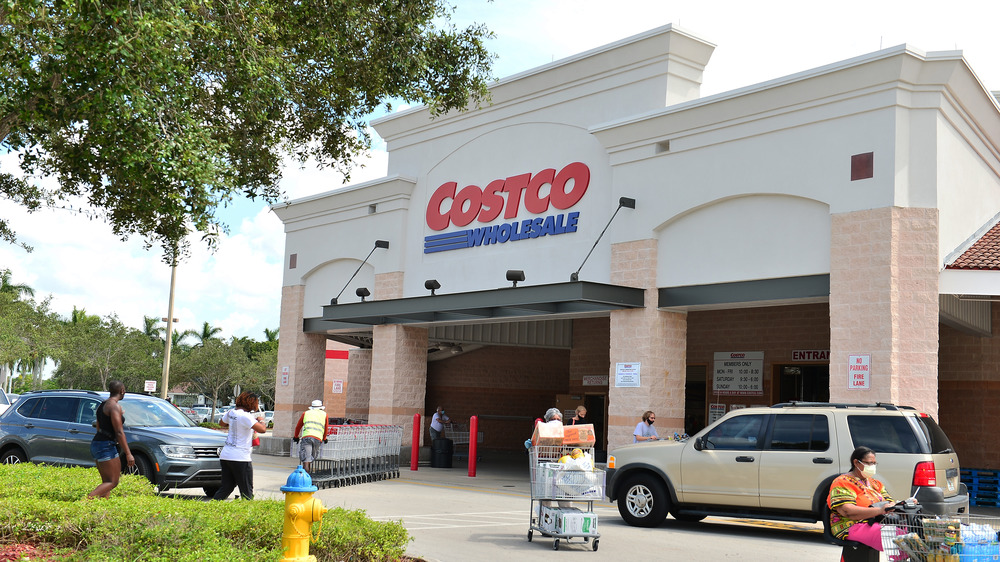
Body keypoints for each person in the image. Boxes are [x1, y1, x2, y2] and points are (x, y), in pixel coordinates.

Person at [828, 446, 905, 551]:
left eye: (874, 463)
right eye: (869, 463)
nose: (872, 466)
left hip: (877, 522)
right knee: (897, 538)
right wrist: (879, 510)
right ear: (856, 462)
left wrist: (904, 504)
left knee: (911, 532)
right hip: (852, 525)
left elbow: (889, 502)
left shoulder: (875, 483)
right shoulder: (842, 482)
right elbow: (847, 511)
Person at [213, 392, 267, 500]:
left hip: (226, 455)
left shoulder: (231, 413)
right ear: (252, 404)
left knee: (226, 487)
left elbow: (221, 423)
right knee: (247, 491)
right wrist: (261, 420)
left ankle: (210, 509)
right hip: (240, 457)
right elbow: (262, 429)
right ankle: (248, 513)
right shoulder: (246, 417)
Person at [88, 380, 134, 498]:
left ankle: (103, 507)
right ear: (122, 391)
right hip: (106, 445)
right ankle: (87, 500)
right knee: (113, 482)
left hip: (97, 443)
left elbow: (98, 426)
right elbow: (119, 432)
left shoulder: (102, 405)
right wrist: (128, 454)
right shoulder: (114, 406)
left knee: (106, 481)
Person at [293, 399, 330, 473]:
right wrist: (324, 438)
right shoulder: (324, 414)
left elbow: (298, 426)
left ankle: (305, 479)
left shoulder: (306, 413)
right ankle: (308, 478)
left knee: (306, 460)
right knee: (310, 458)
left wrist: (296, 436)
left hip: (307, 437)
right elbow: (326, 428)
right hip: (318, 439)